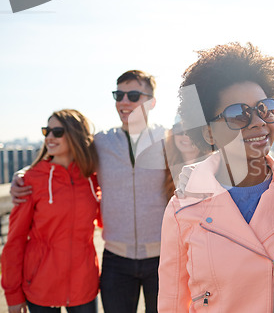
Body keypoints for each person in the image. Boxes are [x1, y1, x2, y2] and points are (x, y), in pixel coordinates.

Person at [10, 70, 170, 313]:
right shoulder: (101, 143)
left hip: (163, 258)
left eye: (133, 95)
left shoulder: (169, 140)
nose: (124, 102)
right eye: (119, 94)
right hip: (116, 261)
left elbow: (201, 167)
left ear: (151, 102)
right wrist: (22, 174)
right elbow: (64, 157)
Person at [158, 42, 274, 313]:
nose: (258, 122)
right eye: (238, 114)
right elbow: (172, 304)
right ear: (208, 133)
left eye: (264, 108)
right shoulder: (182, 210)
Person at [1, 109, 100, 313]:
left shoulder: (92, 178)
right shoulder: (31, 180)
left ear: (75, 135)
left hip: (84, 285)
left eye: (57, 131)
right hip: (40, 285)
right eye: (47, 131)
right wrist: (12, 294)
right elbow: (15, 241)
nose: (50, 137)